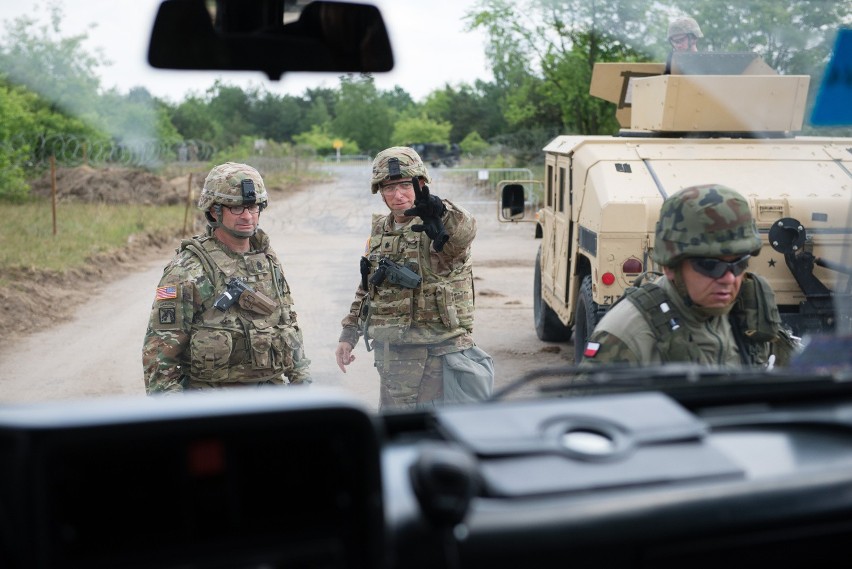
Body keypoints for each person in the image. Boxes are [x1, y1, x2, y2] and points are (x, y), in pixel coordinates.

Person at [335, 146, 493, 409]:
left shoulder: (436, 226)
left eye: (405, 185)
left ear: (420, 184)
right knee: (396, 435)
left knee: (435, 439)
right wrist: (348, 333)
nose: (397, 195)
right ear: (380, 191)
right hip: (393, 360)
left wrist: (441, 212)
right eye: (388, 187)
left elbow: (463, 233)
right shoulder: (380, 229)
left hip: (437, 359)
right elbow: (368, 285)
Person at [581, 184, 798, 368]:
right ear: (670, 267)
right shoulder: (626, 335)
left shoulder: (748, 313)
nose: (729, 278)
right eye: (710, 265)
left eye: (739, 263)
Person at [142, 162, 311, 393]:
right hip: (214, 406)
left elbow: (288, 326)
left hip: (272, 399)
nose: (247, 216)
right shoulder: (187, 270)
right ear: (214, 210)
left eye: (253, 207)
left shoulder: (266, 259)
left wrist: (303, 388)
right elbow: (160, 360)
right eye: (236, 208)